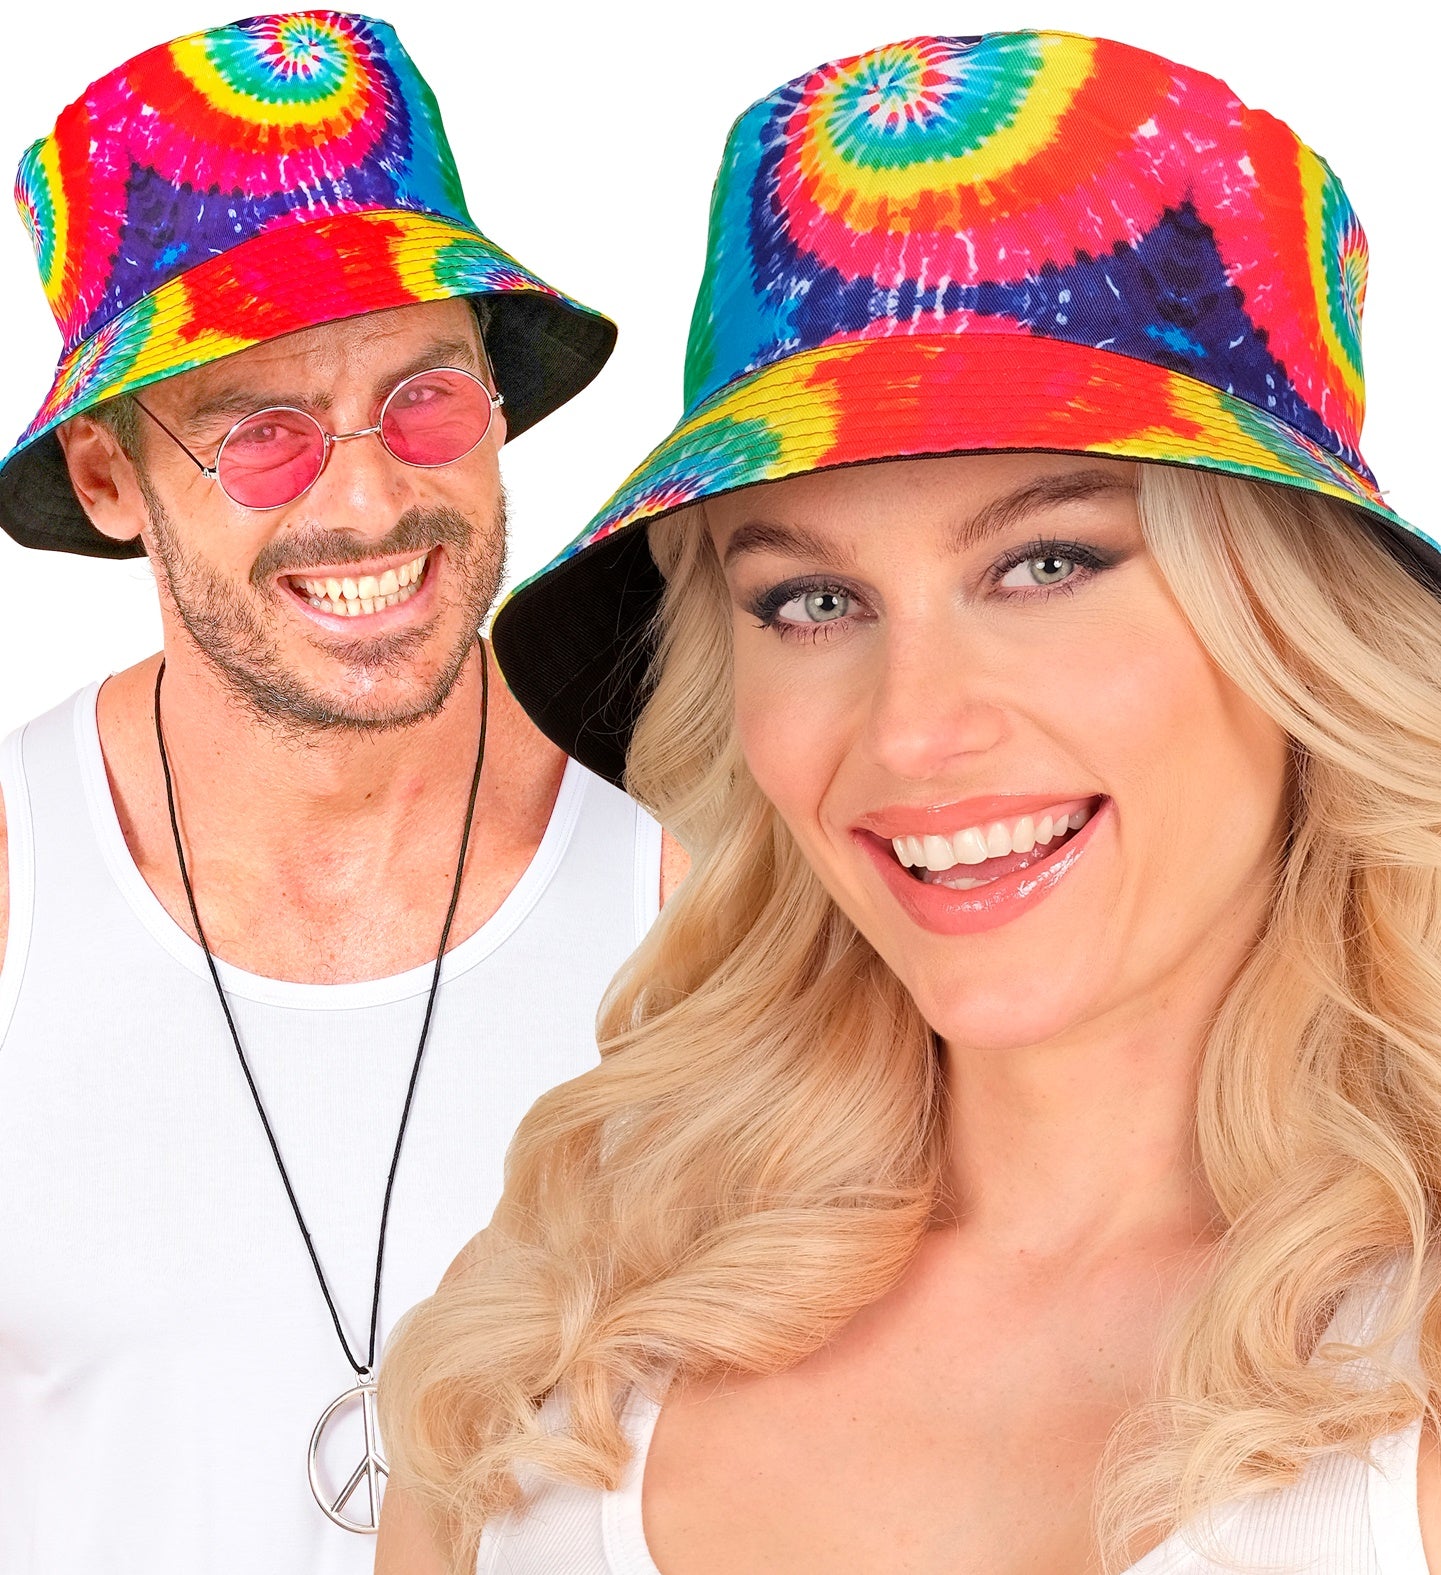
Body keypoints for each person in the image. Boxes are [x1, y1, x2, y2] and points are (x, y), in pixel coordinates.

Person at [378, 29, 1441, 1575]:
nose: (915, 733)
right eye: (810, 601)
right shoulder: (558, 1340)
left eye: (1048, 564)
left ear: (1288, 627)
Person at [0, 12, 682, 1574]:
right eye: (261, 435)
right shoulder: (12, 886)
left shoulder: (708, 873)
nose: (369, 497)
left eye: (424, 400)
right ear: (111, 480)